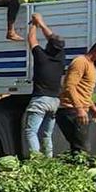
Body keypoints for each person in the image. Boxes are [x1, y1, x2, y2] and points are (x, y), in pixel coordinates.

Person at [60, 37, 96, 155]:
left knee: (80, 148)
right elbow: (69, 86)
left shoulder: (91, 66)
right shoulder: (80, 62)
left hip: (80, 110)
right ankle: (78, 171)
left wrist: (93, 108)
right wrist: (79, 109)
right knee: (82, 149)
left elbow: (84, 92)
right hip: (72, 110)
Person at [23, 14, 65, 156]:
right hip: (54, 101)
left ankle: (36, 160)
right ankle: (48, 160)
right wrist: (41, 23)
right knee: (46, 135)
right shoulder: (60, 58)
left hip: (41, 100)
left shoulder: (42, 57)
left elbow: (31, 40)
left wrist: (33, 24)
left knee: (31, 131)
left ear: (48, 46)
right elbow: (53, 40)